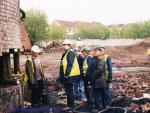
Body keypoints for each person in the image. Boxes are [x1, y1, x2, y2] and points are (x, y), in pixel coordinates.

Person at [59, 39, 80, 110]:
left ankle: (70, 105)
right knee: (68, 91)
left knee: (69, 91)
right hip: (68, 75)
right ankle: (69, 104)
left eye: (65, 45)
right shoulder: (67, 53)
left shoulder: (70, 53)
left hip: (69, 75)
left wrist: (66, 74)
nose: (64, 46)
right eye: (63, 45)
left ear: (69, 45)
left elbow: (70, 64)